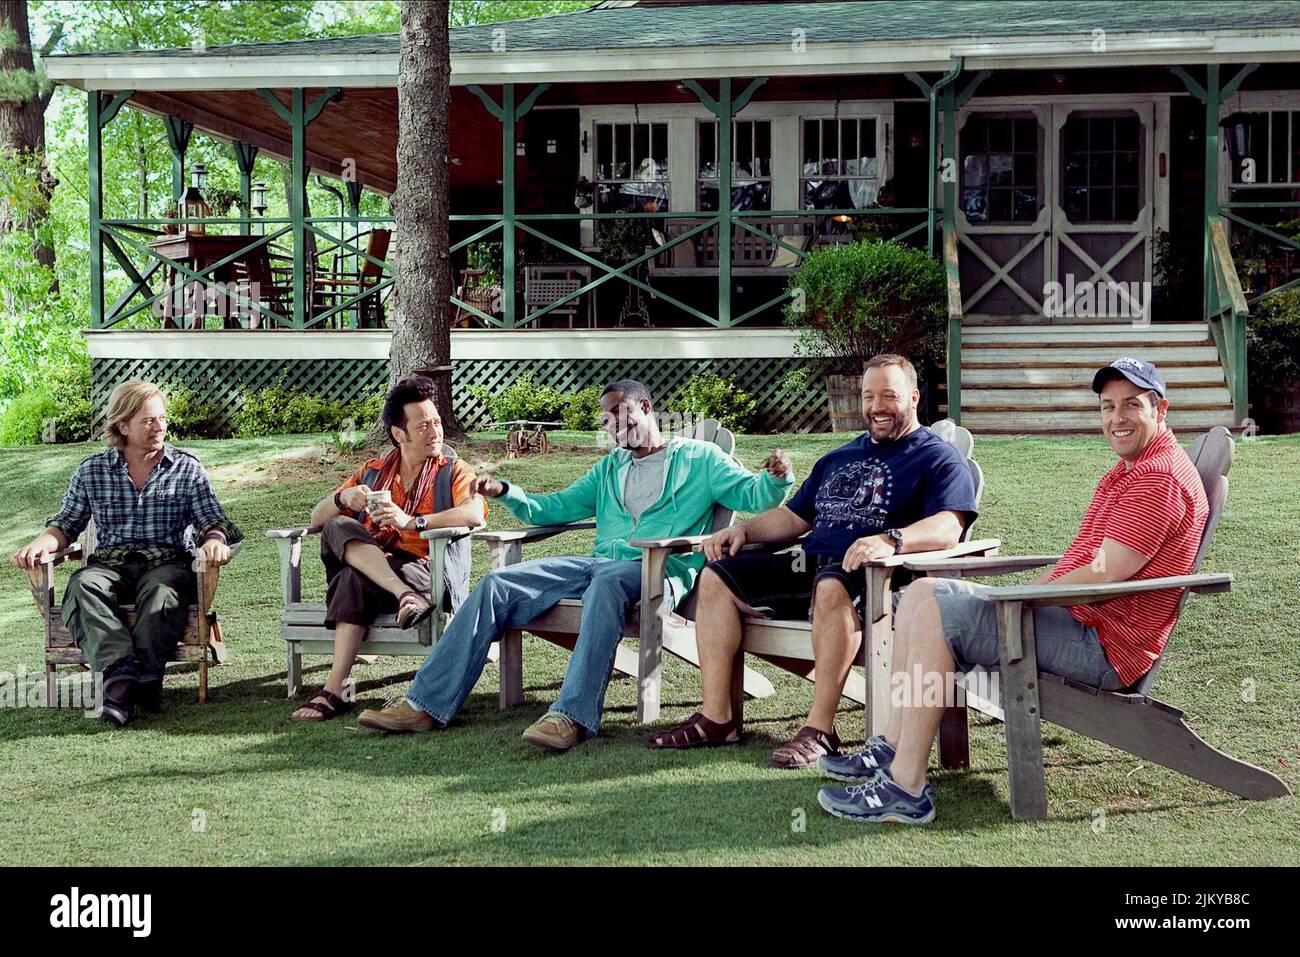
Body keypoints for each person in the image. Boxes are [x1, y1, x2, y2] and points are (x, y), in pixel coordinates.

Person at [816, 358, 1209, 824]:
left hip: (1102, 646)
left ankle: (906, 789)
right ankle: (893, 749)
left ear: (1160, 409)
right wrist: (1023, 595)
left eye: (1132, 406)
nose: (1116, 418)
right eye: (1108, 406)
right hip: (1080, 623)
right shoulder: (1135, 467)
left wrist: (1017, 601)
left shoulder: (1157, 479)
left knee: (937, 613)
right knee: (922, 596)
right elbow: (1091, 566)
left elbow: (1104, 576)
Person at [357, 379, 794, 751]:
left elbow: (754, 496)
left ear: (645, 408)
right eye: (607, 422)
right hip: (600, 565)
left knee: (604, 583)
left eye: (621, 416)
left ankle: (572, 716)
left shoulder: (700, 460)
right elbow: (555, 508)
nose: (615, 428)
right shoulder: (609, 468)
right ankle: (424, 705)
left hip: (660, 570)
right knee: (496, 584)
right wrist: (507, 490)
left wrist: (776, 478)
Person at [649, 354, 978, 768]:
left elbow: (949, 526)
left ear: (913, 397)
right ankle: (719, 718)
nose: (877, 405)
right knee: (717, 576)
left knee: (831, 583)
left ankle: (820, 730)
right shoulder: (839, 457)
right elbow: (793, 517)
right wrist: (744, 531)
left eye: (889, 395)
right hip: (813, 565)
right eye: (869, 395)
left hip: (881, 579)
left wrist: (892, 540)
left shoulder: (937, 457)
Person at [10, 380, 242, 726]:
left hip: (167, 562)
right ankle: (123, 675)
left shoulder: (186, 467)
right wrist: (39, 544)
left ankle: (131, 686)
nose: (159, 427)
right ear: (122, 426)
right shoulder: (92, 471)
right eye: (148, 420)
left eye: (162, 418)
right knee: (83, 585)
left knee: (162, 592)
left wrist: (213, 540)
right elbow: (65, 526)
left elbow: (213, 520)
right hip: (111, 564)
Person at [290, 376, 485, 721]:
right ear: (400, 434)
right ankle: (400, 598)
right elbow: (317, 517)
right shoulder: (373, 472)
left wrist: (412, 522)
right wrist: (343, 498)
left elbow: (474, 513)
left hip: (427, 570)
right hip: (382, 571)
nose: (435, 431)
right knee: (337, 526)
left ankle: (333, 691)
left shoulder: (453, 470)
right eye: (423, 425)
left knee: (351, 578)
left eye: (437, 422)